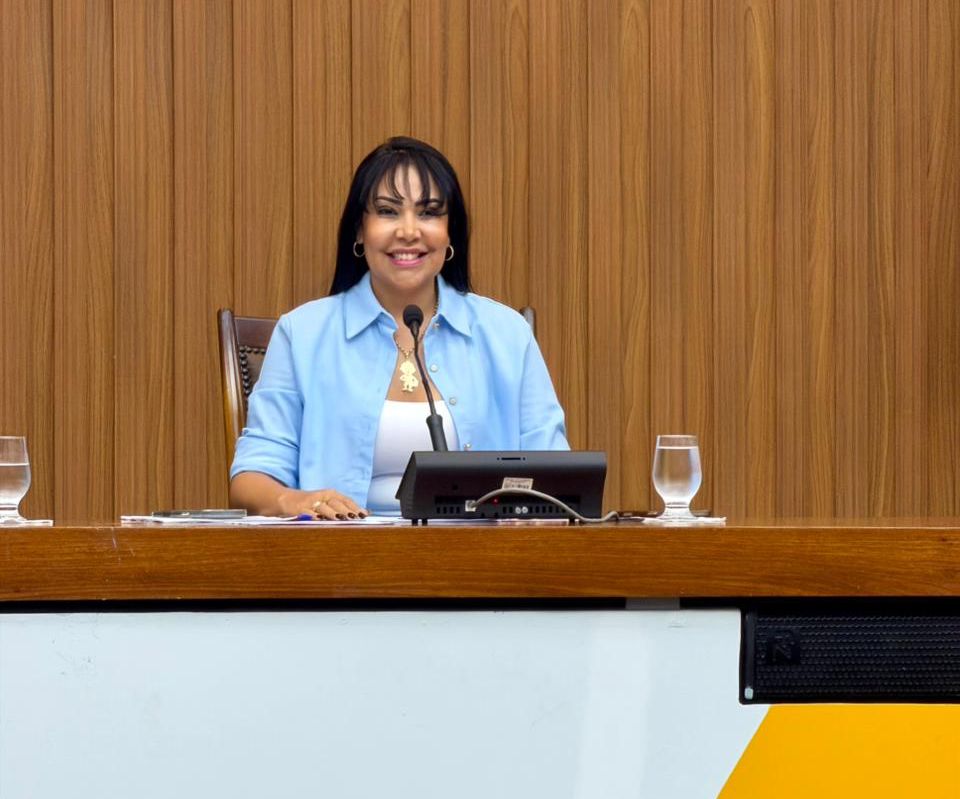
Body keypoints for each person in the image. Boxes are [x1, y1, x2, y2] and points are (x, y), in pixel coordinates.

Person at [230, 136, 568, 519]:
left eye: (429, 213)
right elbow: (251, 477)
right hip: (338, 550)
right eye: (388, 211)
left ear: (450, 232)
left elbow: (557, 474)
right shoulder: (301, 334)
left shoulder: (507, 334)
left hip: (477, 552)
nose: (409, 231)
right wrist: (296, 502)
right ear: (359, 230)